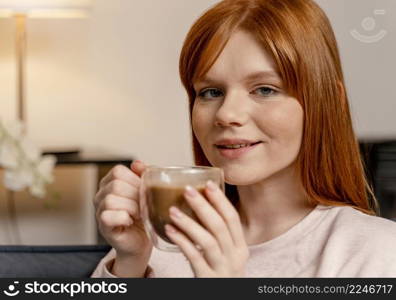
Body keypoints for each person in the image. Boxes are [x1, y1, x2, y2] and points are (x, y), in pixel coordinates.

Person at [91, 0, 396, 278]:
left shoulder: (376, 253)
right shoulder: (160, 241)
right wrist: (129, 262)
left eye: (264, 89)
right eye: (211, 92)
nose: (227, 114)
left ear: (330, 100)